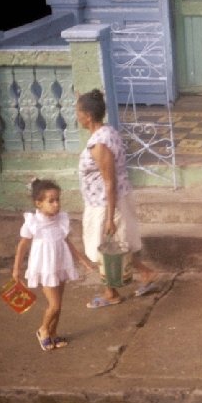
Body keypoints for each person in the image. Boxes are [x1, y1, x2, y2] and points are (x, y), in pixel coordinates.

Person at [76, 89, 159, 308]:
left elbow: (109, 182)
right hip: (110, 199)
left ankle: (110, 293)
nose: (77, 116)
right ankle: (146, 273)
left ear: (88, 116)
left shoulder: (99, 145)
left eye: (79, 112)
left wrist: (109, 218)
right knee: (117, 245)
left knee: (103, 247)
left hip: (105, 204)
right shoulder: (107, 132)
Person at [12, 179, 96, 351]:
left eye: (58, 199)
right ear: (39, 203)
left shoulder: (60, 219)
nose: (56, 204)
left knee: (59, 305)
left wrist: (82, 260)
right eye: (51, 201)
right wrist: (16, 269)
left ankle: (54, 334)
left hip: (60, 264)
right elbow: (22, 245)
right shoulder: (33, 222)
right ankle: (42, 330)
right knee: (54, 305)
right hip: (45, 267)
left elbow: (67, 241)